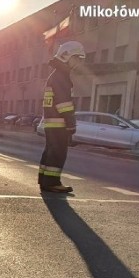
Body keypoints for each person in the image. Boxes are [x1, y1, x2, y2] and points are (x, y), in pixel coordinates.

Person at [38, 41, 85, 194]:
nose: (78, 62)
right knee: (58, 153)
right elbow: (64, 104)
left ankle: (45, 180)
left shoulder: (55, 75)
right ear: (68, 56)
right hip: (59, 124)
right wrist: (71, 124)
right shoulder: (61, 77)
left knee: (50, 151)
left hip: (51, 123)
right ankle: (52, 182)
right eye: (77, 58)